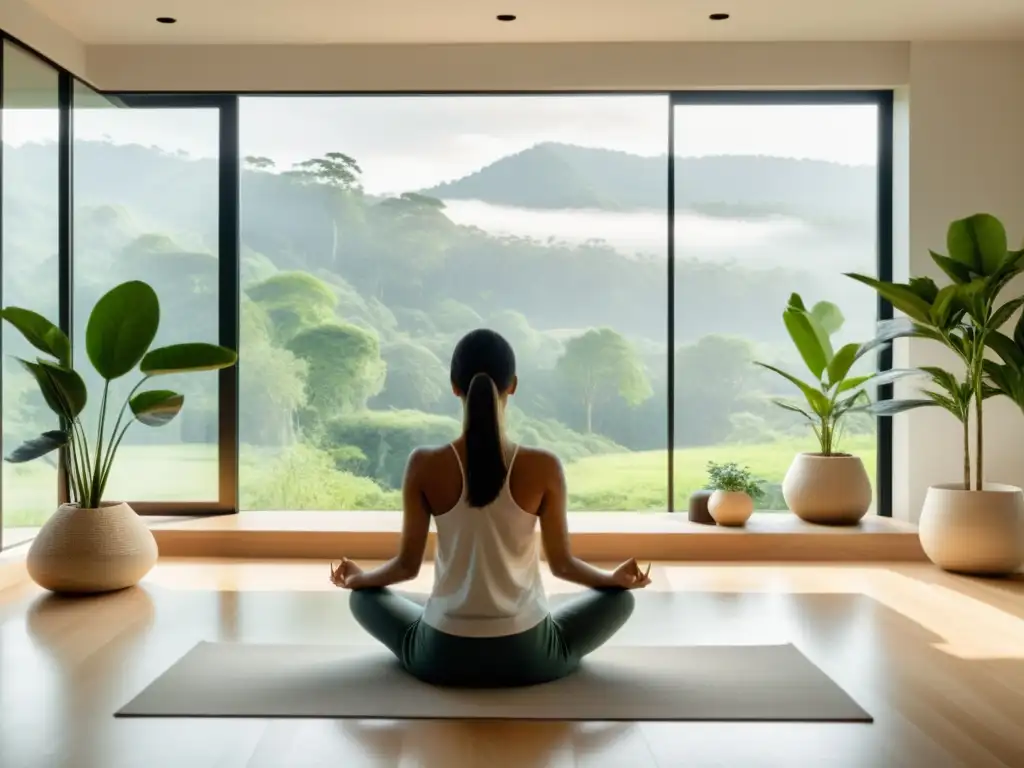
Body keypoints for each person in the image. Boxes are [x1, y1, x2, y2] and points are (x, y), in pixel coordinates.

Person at [330, 328, 651, 688]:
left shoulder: (424, 464)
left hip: (441, 657)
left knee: (365, 599)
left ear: (454, 386)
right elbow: (562, 565)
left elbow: (405, 567)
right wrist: (611, 580)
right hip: (529, 657)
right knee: (620, 602)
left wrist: (362, 579)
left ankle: (430, 615)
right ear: (512, 385)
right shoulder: (544, 466)